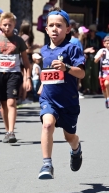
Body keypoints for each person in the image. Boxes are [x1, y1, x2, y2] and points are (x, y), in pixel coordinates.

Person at [37, 7, 85, 179]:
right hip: (48, 99)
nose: (55, 28)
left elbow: (81, 73)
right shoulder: (43, 51)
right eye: (51, 25)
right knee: (47, 125)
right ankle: (47, 164)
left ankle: (76, 148)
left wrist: (67, 68)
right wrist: (42, 83)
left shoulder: (72, 49)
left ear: (67, 29)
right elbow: (47, 73)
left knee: (69, 137)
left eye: (59, 25)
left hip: (69, 102)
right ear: (46, 29)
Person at [0, 12, 32, 142]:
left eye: (9, 25)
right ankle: (7, 131)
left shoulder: (19, 41)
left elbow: (26, 62)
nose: (7, 27)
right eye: (4, 25)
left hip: (14, 74)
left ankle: (11, 132)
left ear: (14, 25)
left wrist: (27, 78)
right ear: (0, 25)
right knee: (3, 104)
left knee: (11, 102)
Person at [82, 24, 102, 94]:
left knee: (95, 73)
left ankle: (94, 89)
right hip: (88, 57)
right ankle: (86, 88)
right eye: (90, 31)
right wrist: (87, 51)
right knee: (87, 73)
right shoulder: (86, 39)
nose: (91, 32)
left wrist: (96, 51)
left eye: (92, 31)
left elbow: (101, 48)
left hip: (96, 56)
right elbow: (84, 48)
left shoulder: (98, 38)